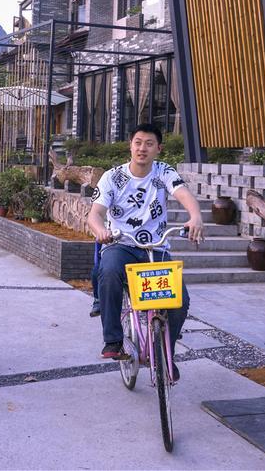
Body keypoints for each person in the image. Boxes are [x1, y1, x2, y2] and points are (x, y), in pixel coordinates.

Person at [87, 123, 205, 377]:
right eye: (138, 142)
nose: (142, 148)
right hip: (121, 244)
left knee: (179, 302)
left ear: (158, 149)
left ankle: (164, 353)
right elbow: (95, 214)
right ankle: (113, 340)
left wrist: (195, 216)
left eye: (149, 143)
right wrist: (101, 231)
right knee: (108, 273)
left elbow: (183, 194)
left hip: (156, 247)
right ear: (130, 145)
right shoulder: (112, 177)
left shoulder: (164, 172)